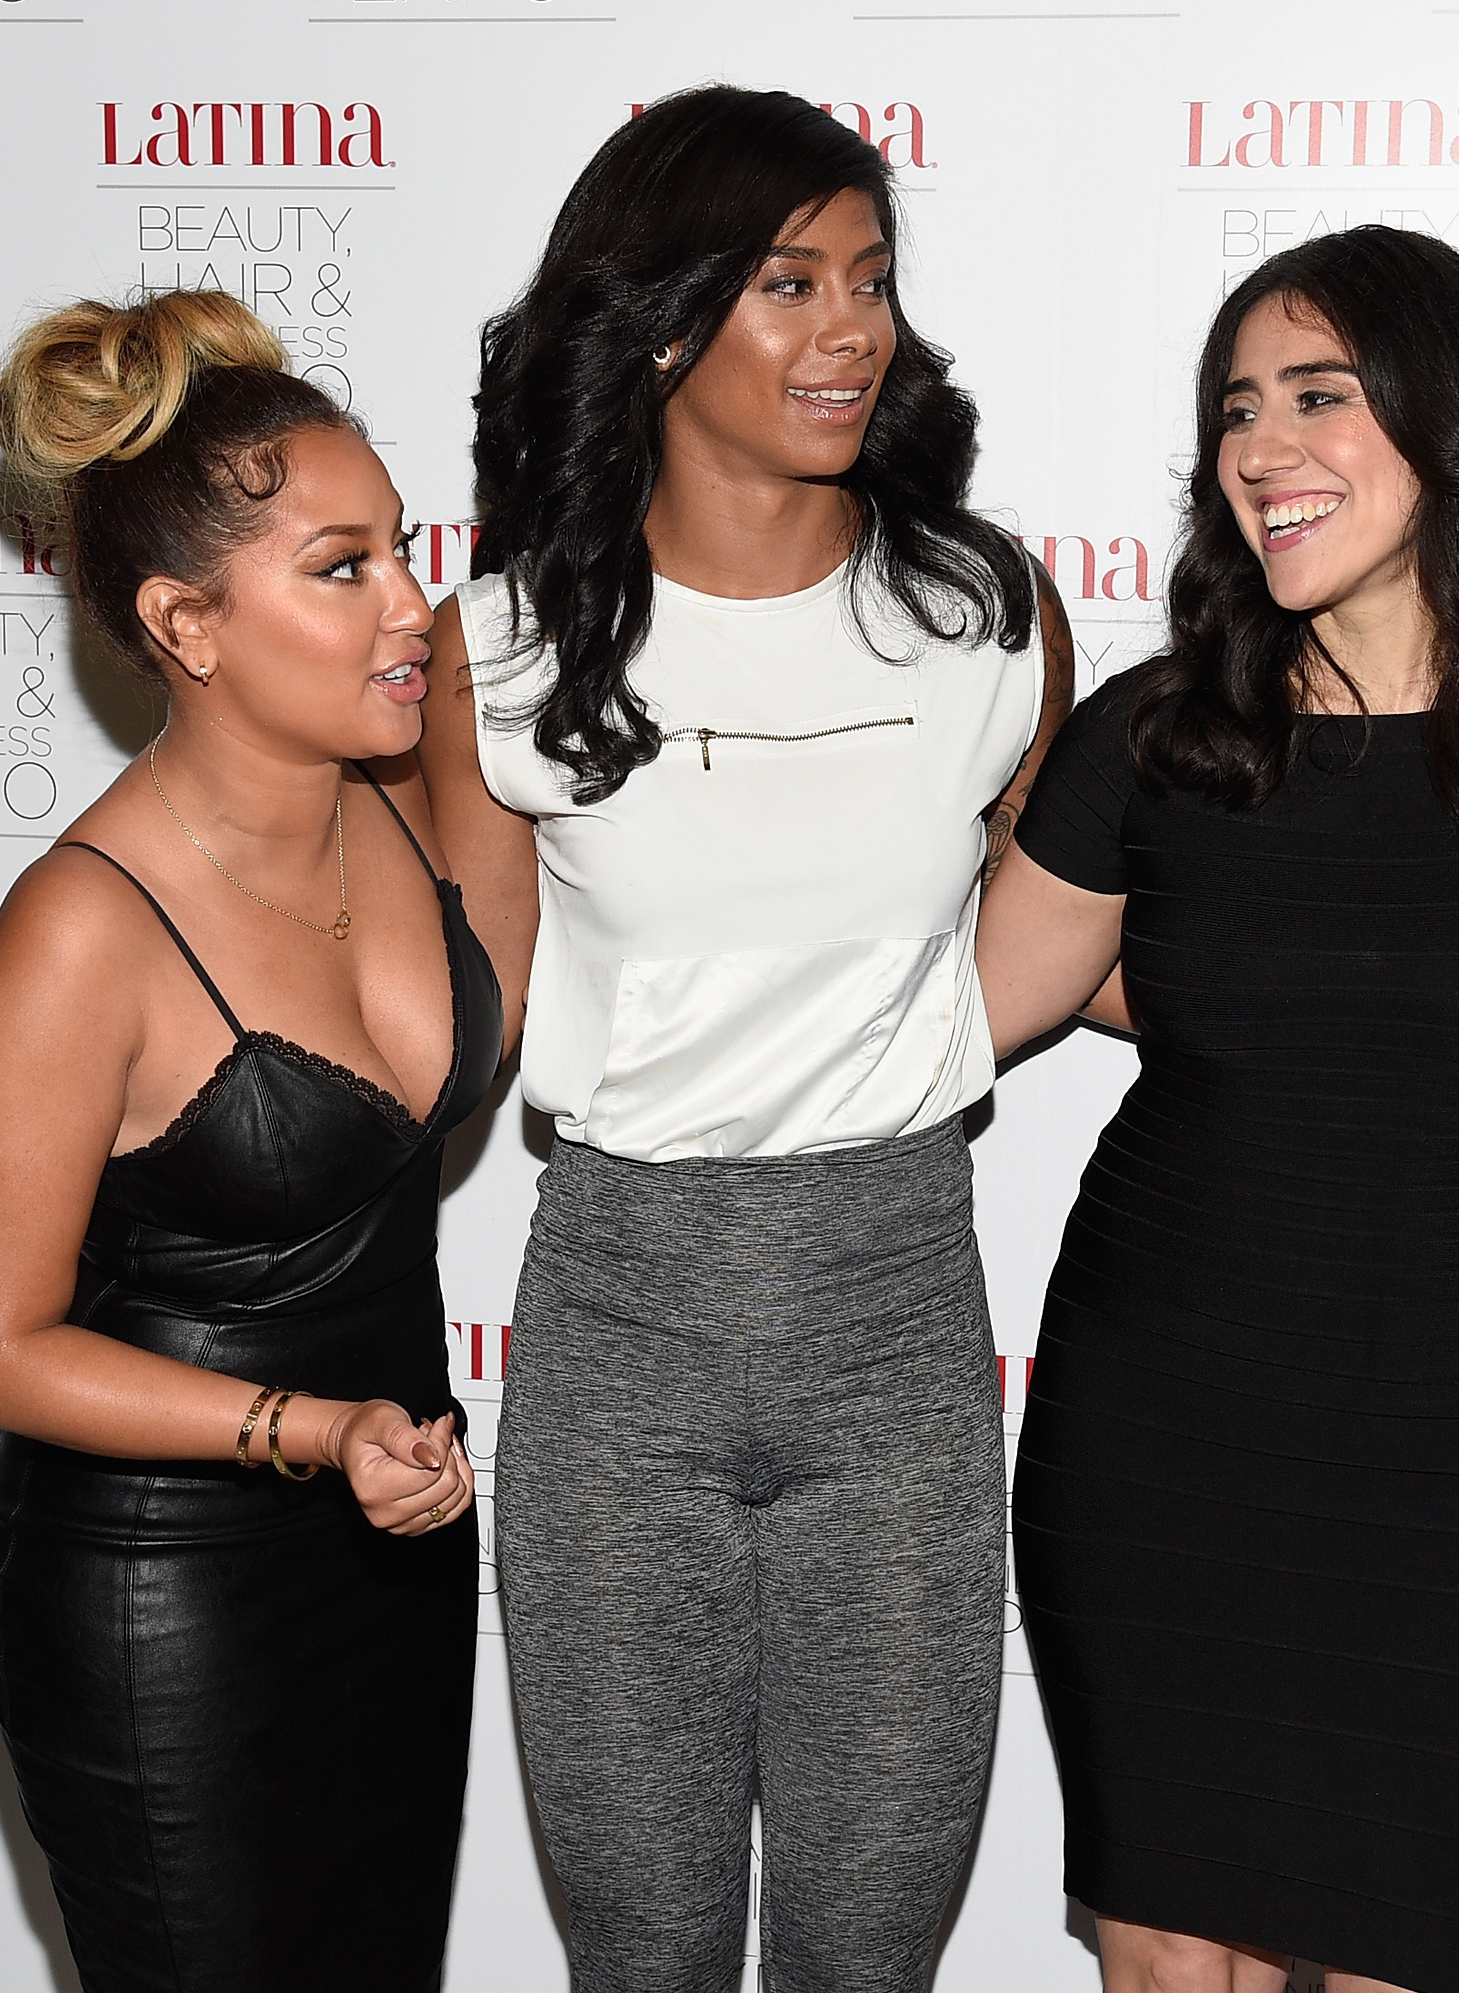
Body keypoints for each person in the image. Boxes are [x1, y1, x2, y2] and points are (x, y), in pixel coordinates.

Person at [410, 86, 1070, 1992]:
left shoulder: (984, 614)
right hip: (618, 1338)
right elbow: (461, 1022)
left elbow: (1060, 937)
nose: (850, 327)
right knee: (644, 1959)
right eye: (790, 282)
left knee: (868, 1961)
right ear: (661, 320)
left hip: (900, 1335)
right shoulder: (505, 645)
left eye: (870, 277)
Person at [978, 226, 1459, 1993]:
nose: (1263, 447)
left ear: (1451, 419)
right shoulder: (1158, 737)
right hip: (1165, 1447)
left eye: (1319, 396)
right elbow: (949, 1016)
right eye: (1236, 409)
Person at [0, 290, 497, 1993]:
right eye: (342, 568)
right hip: (162, 1596)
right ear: (183, 622)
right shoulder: (80, 931)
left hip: (397, 1548)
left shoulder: (406, 789)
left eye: (402, 546)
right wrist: (313, 1429)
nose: (409, 604)